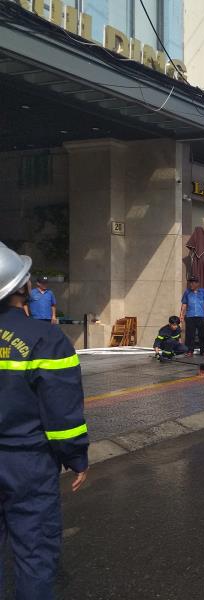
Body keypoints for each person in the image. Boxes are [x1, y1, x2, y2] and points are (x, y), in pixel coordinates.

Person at [0, 243, 88, 599]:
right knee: (34, 553)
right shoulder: (46, 339)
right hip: (28, 462)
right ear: (22, 288)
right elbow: (62, 415)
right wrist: (76, 457)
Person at [180, 275, 204, 356]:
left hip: (201, 316)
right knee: (190, 334)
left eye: (193, 282)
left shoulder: (203, 291)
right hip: (190, 316)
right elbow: (184, 304)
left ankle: (202, 350)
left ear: (197, 283)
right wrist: (181, 315)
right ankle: (190, 350)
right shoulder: (187, 292)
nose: (191, 284)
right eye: (190, 282)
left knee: (202, 334)